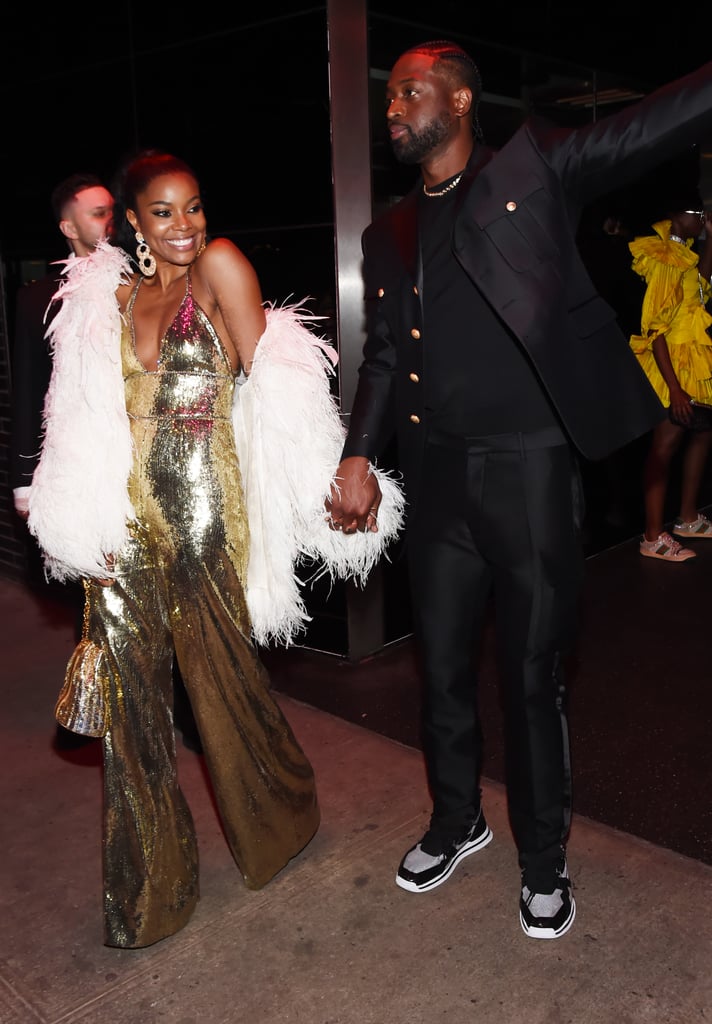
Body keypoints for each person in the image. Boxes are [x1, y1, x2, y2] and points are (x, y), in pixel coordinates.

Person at [326, 40, 712, 939]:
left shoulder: (533, 171)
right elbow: (384, 357)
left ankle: (544, 862)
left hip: (531, 469)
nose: (395, 107)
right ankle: (458, 820)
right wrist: (357, 454)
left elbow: (644, 127)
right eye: (388, 98)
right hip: (437, 480)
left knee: (533, 677)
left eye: (411, 91)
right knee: (445, 671)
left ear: (460, 101)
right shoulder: (388, 232)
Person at [25, 151, 324, 948]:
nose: (185, 225)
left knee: (222, 686)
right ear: (134, 221)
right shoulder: (116, 300)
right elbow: (89, 417)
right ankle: (150, 891)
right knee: (129, 709)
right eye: (164, 212)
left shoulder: (220, 266)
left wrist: (326, 483)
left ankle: (282, 813)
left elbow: (279, 382)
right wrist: (80, 514)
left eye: (193, 206)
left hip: (206, 515)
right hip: (126, 525)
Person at [11, 173, 114, 520]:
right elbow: (29, 391)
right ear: (69, 229)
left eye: (114, 210)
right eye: (99, 213)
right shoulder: (39, 298)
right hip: (75, 460)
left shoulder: (144, 283)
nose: (111, 220)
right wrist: (23, 483)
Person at [630, 199, 712, 562]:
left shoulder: (687, 253)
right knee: (665, 446)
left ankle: (688, 519)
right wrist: (675, 387)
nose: (703, 221)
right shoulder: (664, 257)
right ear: (677, 217)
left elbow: (702, 291)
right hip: (671, 365)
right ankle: (651, 537)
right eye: (699, 216)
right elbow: (655, 328)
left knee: (703, 431)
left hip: (693, 359)